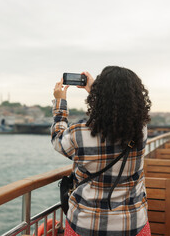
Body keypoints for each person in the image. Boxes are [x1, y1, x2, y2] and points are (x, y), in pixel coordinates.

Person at [51, 66, 151, 236]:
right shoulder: (140, 130)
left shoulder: (80, 133)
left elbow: (57, 140)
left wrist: (60, 103)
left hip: (86, 225)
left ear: (100, 96)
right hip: (132, 224)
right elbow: (118, 112)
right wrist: (95, 91)